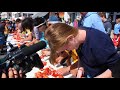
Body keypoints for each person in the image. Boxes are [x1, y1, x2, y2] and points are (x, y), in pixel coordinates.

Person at [45, 23, 120, 78]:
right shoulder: (77, 37)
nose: (67, 51)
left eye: (66, 48)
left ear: (70, 38)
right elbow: (82, 55)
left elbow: (116, 67)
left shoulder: (99, 42)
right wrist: (80, 69)